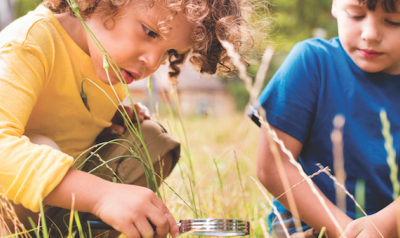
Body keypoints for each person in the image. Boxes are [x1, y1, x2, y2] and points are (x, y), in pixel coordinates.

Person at [0, 0, 251, 237]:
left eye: (169, 51)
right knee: (43, 145)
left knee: (150, 140)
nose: (153, 62)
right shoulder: (29, 42)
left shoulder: (109, 62)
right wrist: (102, 196)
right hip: (8, 208)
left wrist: (111, 115)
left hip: (50, 210)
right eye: (150, 32)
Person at [252, 0, 400, 237]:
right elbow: (271, 166)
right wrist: (349, 232)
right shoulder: (312, 62)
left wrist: (385, 225)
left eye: (394, 21)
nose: (370, 34)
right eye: (355, 15)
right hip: (310, 227)